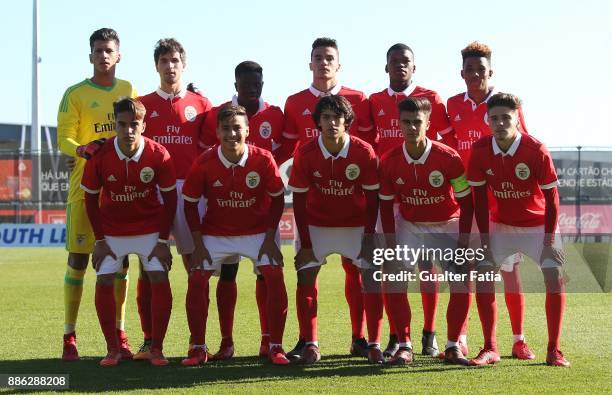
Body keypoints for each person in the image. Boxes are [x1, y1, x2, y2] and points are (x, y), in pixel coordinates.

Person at [283, 37, 374, 358]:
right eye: (317, 57)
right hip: (315, 203)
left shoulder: (359, 99)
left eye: (329, 57)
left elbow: (369, 149)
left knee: (358, 273)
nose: (323, 62)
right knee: (306, 272)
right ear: (310, 63)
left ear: (339, 64)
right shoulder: (294, 102)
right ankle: (308, 340)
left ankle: (361, 338)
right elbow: (284, 148)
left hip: (353, 207)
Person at [180, 105, 289, 366]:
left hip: (257, 232)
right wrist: (197, 245)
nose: (232, 133)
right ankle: (198, 347)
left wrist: (270, 238)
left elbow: (277, 200)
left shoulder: (262, 159)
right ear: (217, 132)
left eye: (237, 128)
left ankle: (275, 346)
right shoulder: (205, 161)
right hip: (216, 233)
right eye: (226, 128)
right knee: (197, 278)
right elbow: (189, 203)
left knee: (274, 274)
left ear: (248, 131)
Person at [467, 93, 569, 367]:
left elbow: (552, 199)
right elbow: (478, 199)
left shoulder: (536, 150)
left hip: (537, 226)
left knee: (554, 277)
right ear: (488, 120)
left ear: (517, 119)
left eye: (506, 118)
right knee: (484, 276)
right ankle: (490, 348)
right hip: (501, 225)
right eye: (495, 118)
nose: (500, 123)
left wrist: (549, 241)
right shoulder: (479, 150)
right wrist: (485, 241)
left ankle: (553, 350)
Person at [447, 42, 533, 360]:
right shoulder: (452, 105)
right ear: (462, 73)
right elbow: (451, 152)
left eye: (480, 69)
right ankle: (467, 339)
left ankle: (519, 339)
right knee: (470, 271)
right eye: (469, 69)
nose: (475, 74)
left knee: (510, 271)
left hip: (502, 202)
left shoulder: (505, 105)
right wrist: (458, 190)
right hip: (470, 201)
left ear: (490, 72)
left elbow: (523, 145)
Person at [57, 27, 137, 361]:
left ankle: (120, 332)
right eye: (98, 50)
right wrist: (84, 150)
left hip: (121, 190)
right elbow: (64, 140)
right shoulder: (74, 94)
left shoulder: (129, 89)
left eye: (109, 50)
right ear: (90, 56)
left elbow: (139, 126)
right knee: (77, 262)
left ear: (119, 55)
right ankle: (69, 335)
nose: (104, 55)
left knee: (122, 263)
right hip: (85, 188)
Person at [369, 43, 454, 358]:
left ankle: (430, 334)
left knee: (427, 265)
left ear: (414, 68)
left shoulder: (431, 98)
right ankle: (396, 335)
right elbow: (368, 143)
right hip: (390, 193)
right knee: (391, 267)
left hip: (426, 195)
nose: (400, 66)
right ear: (386, 66)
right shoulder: (374, 101)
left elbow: (450, 140)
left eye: (405, 61)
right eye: (394, 62)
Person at [200, 60, 289, 360]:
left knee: (266, 275)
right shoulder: (219, 112)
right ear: (235, 84)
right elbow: (207, 149)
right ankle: (227, 342)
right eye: (246, 83)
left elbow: (287, 147)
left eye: (257, 84)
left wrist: (267, 169)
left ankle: (268, 340)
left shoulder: (275, 114)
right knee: (228, 273)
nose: (252, 88)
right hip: (226, 211)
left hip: (262, 211)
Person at [81, 98, 177, 366]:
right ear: (115, 125)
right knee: (103, 280)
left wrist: (162, 241)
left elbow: (170, 201)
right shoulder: (99, 156)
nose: (128, 130)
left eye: (134, 124)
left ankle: (156, 348)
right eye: (122, 124)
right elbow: (90, 199)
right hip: (112, 230)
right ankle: (113, 349)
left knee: (158, 276)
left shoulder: (159, 154)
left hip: (149, 227)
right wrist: (99, 241)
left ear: (143, 125)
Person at [378, 97, 473, 365]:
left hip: (447, 224)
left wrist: (464, 240)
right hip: (411, 225)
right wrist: (390, 243)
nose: (411, 127)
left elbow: (466, 201)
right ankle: (405, 345)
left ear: (428, 124)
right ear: (398, 125)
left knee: (462, 280)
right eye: (406, 122)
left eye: (417, 122)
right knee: (394, 277)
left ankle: (454, 345)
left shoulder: (449, 157)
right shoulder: (389, 161)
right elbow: (385, 206)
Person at [135, 38, 212, 360]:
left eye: (175, 60)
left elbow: (210, 151)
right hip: (153, 192)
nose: (170, 66)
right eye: (164, 60)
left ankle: (198, 343)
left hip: (191, 193)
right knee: (148, 268)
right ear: (156, 65)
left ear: (184, 64)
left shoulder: (202, 104)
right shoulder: (142, 104)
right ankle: (150, 341)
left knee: (196, 268)